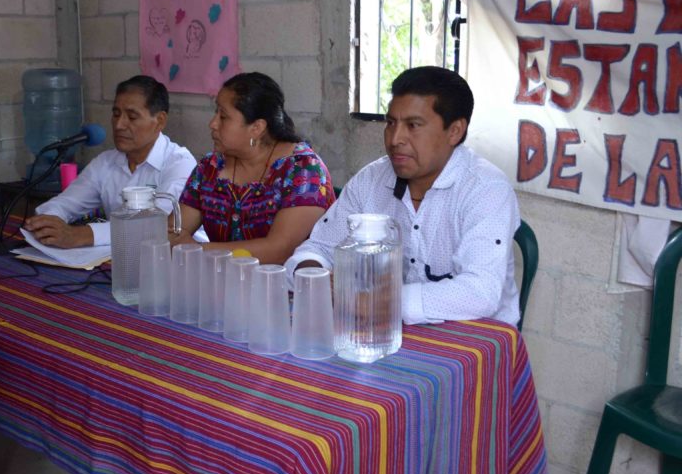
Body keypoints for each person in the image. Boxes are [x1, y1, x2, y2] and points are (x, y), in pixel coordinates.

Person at [286, 66, 521, 326]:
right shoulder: (372, 179)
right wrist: (315, 277)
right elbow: (318, 247)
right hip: (380, 332)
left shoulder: (485, 189)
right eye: (391, 123)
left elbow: (480, 292)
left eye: (413, 125)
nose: (395, 138)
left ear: (454, 131)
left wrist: (379, 302)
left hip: (472, 342)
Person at [171, 72, 334, 265]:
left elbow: (279, 251)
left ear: (257, 128)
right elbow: (175, 232)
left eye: (223, 116)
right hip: (220, 283)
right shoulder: (210, 168)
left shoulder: (303, 171)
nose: (212, 124)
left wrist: (196, 250)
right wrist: (180, 243)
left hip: (284, 288)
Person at [24, 75, 196, 248]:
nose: (119, 125)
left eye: (132, 117)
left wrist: (81, 235)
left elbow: (157, 227)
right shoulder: (106, 162)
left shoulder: (180, 163)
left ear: (160, 121)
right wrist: (48, 224)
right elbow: (64, 204)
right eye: (116, 114)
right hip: (118, 260)